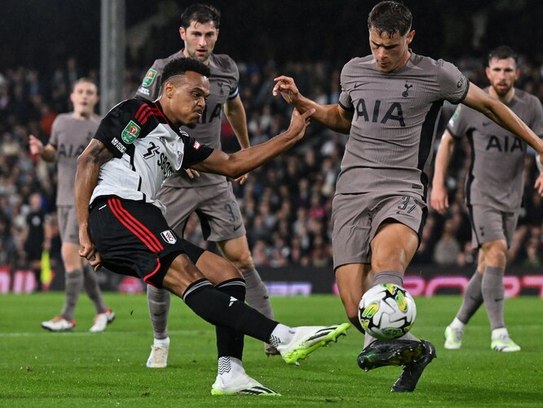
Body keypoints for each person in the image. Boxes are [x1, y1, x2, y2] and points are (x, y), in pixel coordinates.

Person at [273, 2, 543, 392]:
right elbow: (345, 119)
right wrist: (303, 104)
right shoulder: (353, 70)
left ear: (409, 38)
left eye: (392, 46)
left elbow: (492, 106)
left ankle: (438, 335)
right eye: (376, 44)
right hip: (350, 190)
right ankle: (415, 351)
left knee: (385, 271)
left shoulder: (436, 74)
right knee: (354, 308)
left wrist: (541, 148)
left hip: (401, 187)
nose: (382, 54)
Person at [75, 57, 349, 396]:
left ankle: (230, 371)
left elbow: (232, 164)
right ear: (169, 89)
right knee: (187, 277)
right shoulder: (138, 112)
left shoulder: (179, 140)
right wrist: (85, 228)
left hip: (137, 216)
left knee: (227, 274)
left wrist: (291, 136)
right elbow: (88, 159)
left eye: (205, 97)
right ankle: (285, 337)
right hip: (117, 208)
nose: (202, 103)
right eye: (194, 94)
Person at [135, 3, 278, 367]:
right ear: (182, 34)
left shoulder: (227, 69)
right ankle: (160, 340)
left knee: (241, 258)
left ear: (217, 35)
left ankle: (272, 334)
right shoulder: (162, 70)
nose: (202, 42)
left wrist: (245, 152)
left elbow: (234, 109)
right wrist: (176, 158)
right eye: (196, 34)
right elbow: (140, 116)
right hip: (169, 180)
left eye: (209, 35)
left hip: (213, 177)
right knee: (161, 268)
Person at [431, 46, 543, 352]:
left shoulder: (531, 106)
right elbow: (447, 140)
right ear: (487, 73)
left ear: (517, 73)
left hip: (512, 197)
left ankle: (456, 325)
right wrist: (437, 184)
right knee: (497, 253)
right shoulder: (473, 103)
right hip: (480, 194)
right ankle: (499, 333)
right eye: (497, 70)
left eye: (508, 70)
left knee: (488, 265)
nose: (502, 75)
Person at [29, 78, 115, 333]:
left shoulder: (101, 125)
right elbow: (52, 153)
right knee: (78, 260)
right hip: (62, 199)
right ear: (72, 96)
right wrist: (40, 150)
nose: (85, 96)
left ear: (96, 98)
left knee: (69, 254)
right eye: (81, 91)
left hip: (84, 200)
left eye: (90, 92)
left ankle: (67, 315)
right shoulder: (61, 122)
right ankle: (103, 310)